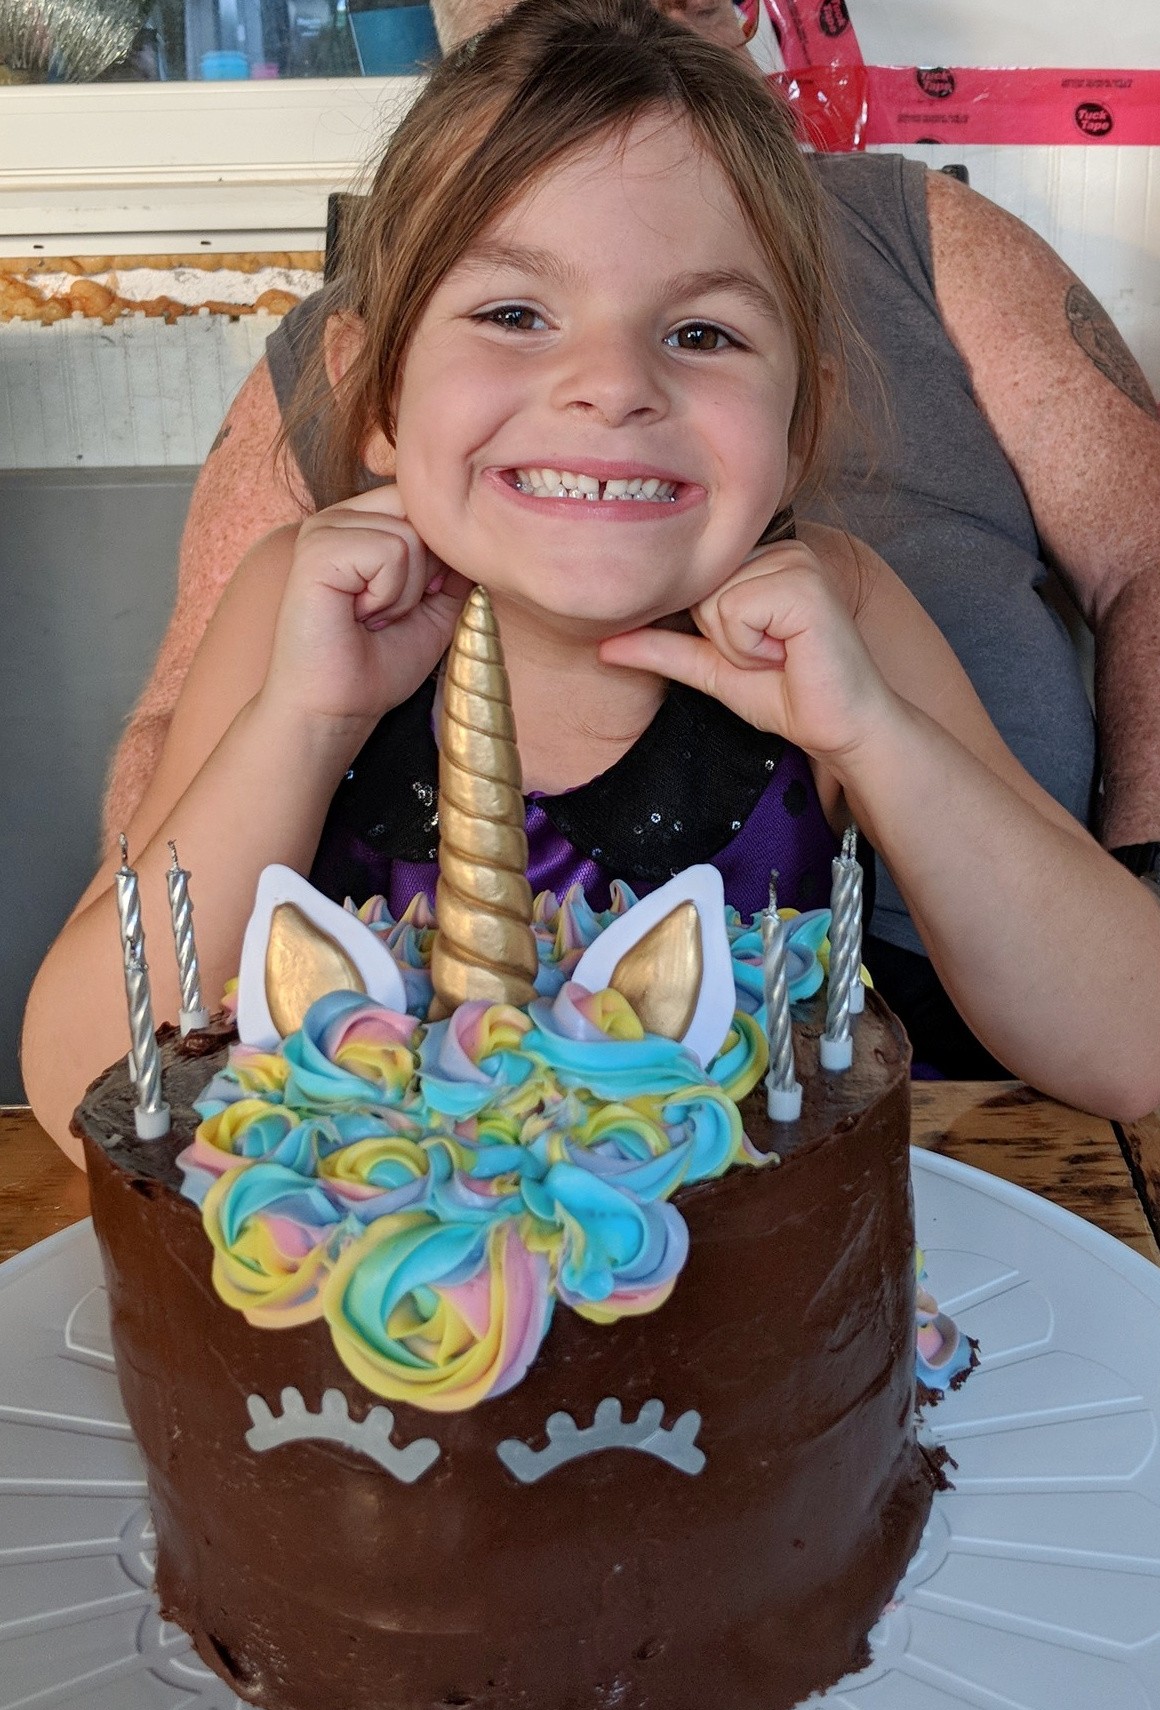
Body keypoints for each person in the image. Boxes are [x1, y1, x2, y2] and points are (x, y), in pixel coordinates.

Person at [21, 0, 1160, 1161]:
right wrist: (303, 722)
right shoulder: (295, 610)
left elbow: (1126, 1044)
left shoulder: (837, 610)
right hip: (382, 1303)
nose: (611, 384)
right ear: (372, 395)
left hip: (743, 1316)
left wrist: (876, 737)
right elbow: (86, 1093)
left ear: (797, 425)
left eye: (702, 334)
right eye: (513, 313)